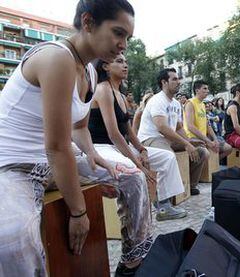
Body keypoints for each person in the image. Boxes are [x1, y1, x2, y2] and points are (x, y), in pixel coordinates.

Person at [0, 1, 149, 276]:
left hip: (51, 162)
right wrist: (79, 212)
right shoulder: (56, 58)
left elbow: (79, 127)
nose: (123, 45)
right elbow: (56, 148)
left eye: (127, 37)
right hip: (13, 165)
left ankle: (133, 263)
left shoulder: (90, 70)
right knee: (13, 239)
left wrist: (94, 157)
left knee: (131, 176)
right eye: (118, 32)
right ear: (89, 22)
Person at [89, 54, 187, 222]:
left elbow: (127, 128)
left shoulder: (120, 94)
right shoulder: (103, 89)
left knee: (167, 157)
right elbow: (113, 134)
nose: (125, 65)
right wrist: (135, 159)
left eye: (126, 62)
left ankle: (163, 206)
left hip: (118, 147)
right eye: (119, 62)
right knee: (135, 172)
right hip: (102, 148)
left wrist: (142, 149)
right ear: (105, 67)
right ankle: (135, 222)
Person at [138, 68, 208, 196]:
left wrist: (189, 142)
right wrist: (186, 144)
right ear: (164, 82)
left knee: (201, 151)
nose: (179, 82)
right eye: (174, 79)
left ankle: (189, 187)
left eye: (178, 78)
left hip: (168, 139)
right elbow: (162, 128)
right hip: (151, 139)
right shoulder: (157, 100)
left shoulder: (176, 103)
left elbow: (179, 128)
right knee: (167, 156)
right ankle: (164, 202)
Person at [183, 80, 232, 160]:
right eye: (205, 89)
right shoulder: (190, 103)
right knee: (206, 152)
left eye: (207, 89)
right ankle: (209, 165)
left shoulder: (202, 104)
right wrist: (208, 141)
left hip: (203, 138)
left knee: (228, 148)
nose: (207, 91)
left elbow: (207, 124)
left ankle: (214, 163)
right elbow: (190, 126)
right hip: (193, 138)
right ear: (197, 90)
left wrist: (215, 138)